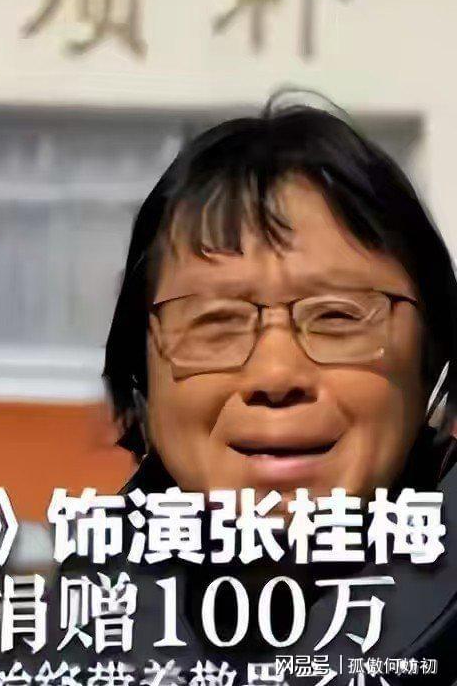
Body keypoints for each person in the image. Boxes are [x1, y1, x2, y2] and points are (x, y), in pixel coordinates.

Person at [41, 100, 457, 683]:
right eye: (215, 322)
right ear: (141, 377)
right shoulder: (69, 639)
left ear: (432, 358)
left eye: (337, 317)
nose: (275, 376)